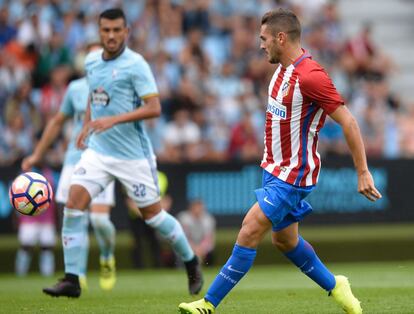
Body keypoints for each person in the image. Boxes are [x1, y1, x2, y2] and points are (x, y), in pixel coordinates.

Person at [178, 9, 382, 314]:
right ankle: (336, 285)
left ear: (281, 38)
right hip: (272, 170)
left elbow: (349, 122)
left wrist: (362, 171)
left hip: (294, 175)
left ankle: (208, 303)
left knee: (248, 229)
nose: (260, 45)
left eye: (264, 39)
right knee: (285, 241)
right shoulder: (280, 72)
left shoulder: (311, 76)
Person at [42, 8, 202, 298]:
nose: (112, 35)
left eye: (117, 30)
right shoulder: (91, 61)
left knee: (153, 216)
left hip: (133, 157)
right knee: (74, 205)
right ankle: (72, 279)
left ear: (126, 32)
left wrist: (111, 120)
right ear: (100, 32)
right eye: (106, 30)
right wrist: (89, 123)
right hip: (99, 152)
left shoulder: (136, 65)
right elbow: (95, 94)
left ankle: (190, 260)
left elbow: (154, 108)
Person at [21, 41, 119, 291]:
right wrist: (36, 155)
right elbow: (56, 122)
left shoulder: (116, 87)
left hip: (102, 159)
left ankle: (107, 255)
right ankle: (78, 273)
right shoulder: (74, 88)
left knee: (99, 221)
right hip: (74, 160)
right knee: (75, 218)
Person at [15, 167, 57, 278]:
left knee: (47, 247)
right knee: (25, 246)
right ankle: (20, 274)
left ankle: (47, 274)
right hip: (28, 219)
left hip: (47, 219)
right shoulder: (24, 176)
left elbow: (54, 198)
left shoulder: (50, 174)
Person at [178, 199, 216, 266]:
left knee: (210, 251)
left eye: (200, 208)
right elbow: (184, 237)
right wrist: (193, 248)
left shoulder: (208, 219)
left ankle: (208, 267)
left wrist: (200, 248)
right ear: (191, 208)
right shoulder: (184, 218)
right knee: (180, 249)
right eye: (196, 207)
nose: (198, 210)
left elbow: (208, 238)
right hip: (188, 245)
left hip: (203, 247)